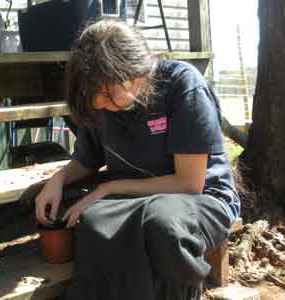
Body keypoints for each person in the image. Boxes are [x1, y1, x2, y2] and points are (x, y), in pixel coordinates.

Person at [35, 20, 240, 300]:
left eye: (106, 93)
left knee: (163, 224)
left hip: (200, 198)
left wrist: (108, 188)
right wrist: (58, 179)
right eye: (92, 94)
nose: (97, 103)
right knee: (93, 221)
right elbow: (86, 161)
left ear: (134, 70)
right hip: (134, 199)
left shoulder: (182, 85)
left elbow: (189, 182)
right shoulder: (100, 99)